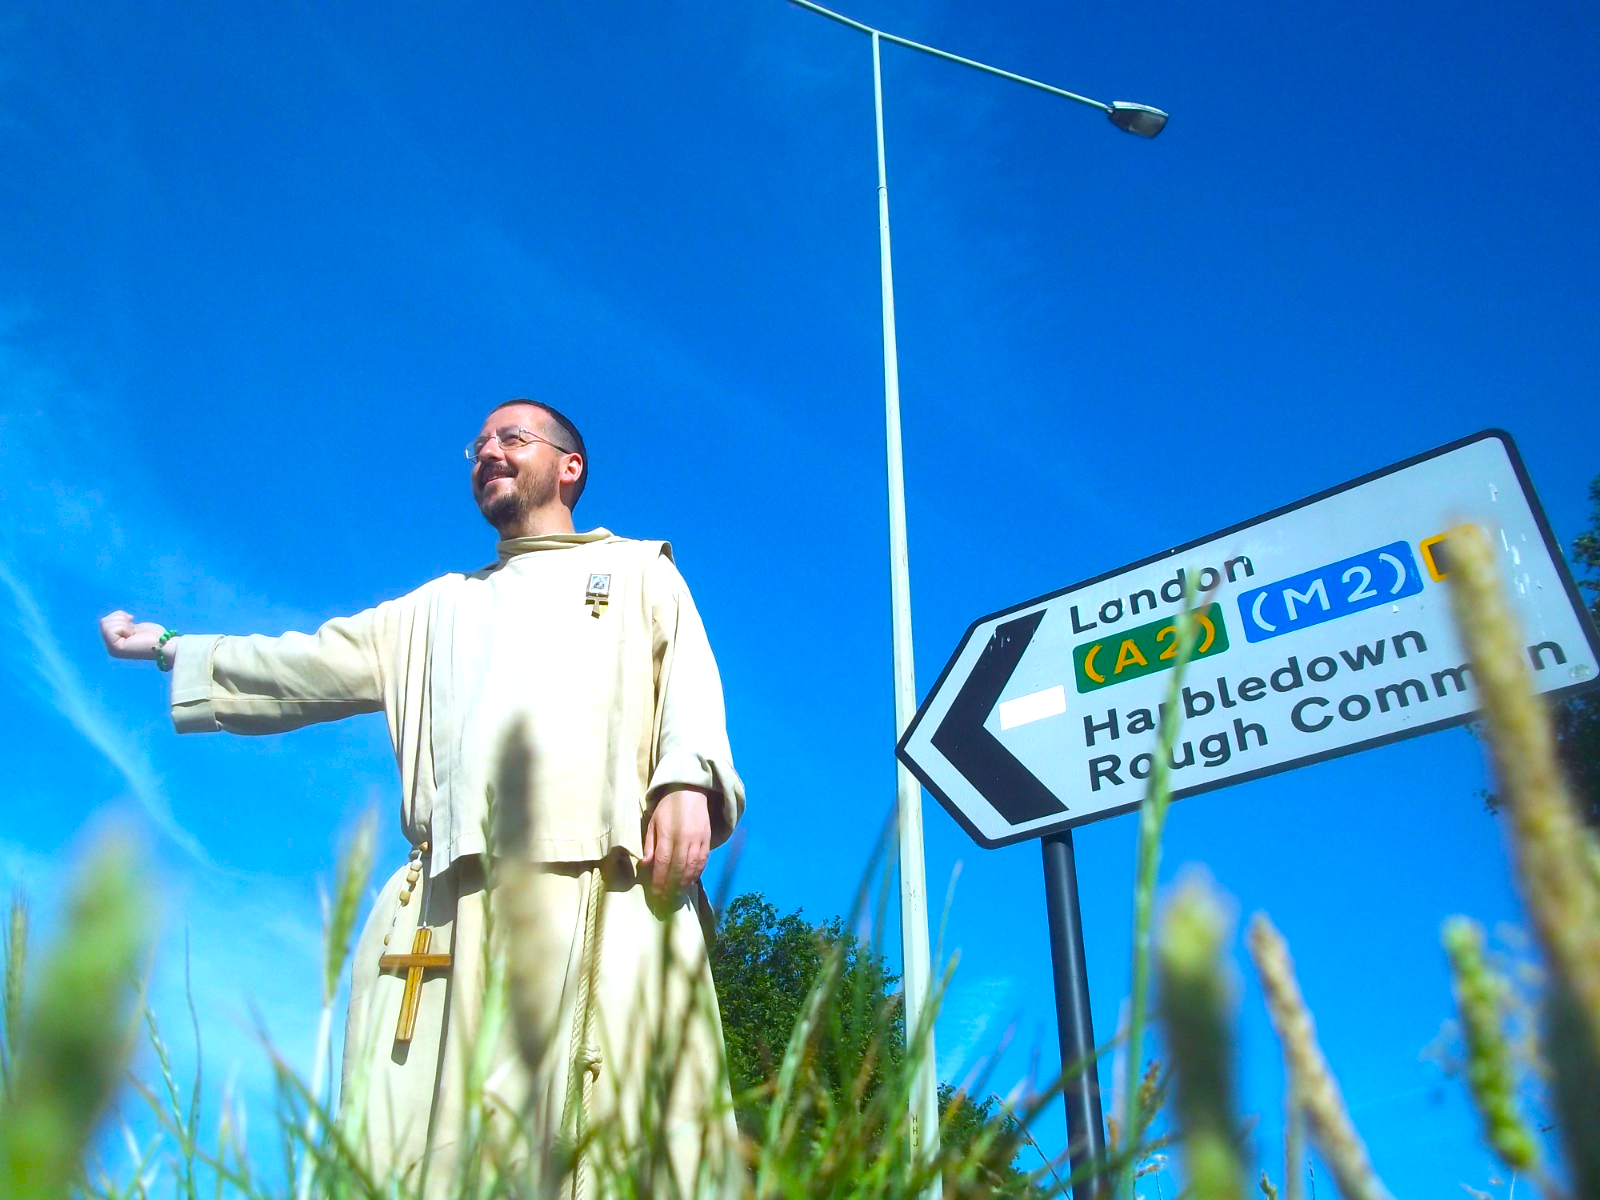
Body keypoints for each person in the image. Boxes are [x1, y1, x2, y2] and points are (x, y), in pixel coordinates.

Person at [99, 399, 745, 1195]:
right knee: (446, 1152)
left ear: (569, 467)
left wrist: (687, 775)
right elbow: (305, 665)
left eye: (512, 438)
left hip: (610, 886)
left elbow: (689, 684)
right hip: (458, 903)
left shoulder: (641, 570)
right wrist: (174, 648)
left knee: (622, 1140)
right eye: (479, 445)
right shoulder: (437, 610)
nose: (489, 452)